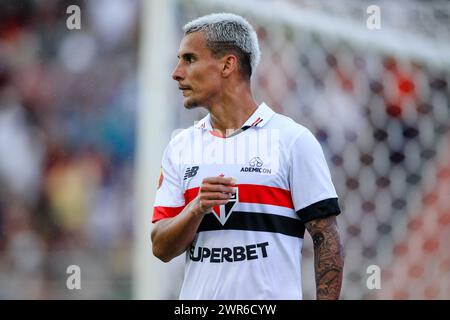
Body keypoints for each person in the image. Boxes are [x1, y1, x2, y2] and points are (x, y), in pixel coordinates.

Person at [151, 12, 344, 300]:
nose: (177, 72)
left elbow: (326, 238)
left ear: (227, 64)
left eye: (189, 59)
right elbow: (160, 248)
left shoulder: (293, 141)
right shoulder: (180, 147)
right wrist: (196, 208)